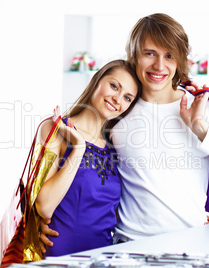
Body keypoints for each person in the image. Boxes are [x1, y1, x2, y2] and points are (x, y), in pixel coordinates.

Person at [39, 13, 209, 249]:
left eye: (169, 56)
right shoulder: (119, 108)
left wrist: (202, 130)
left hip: (186, 250)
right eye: (150, 53)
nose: (159, 65)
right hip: (123, 249)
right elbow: (90, 177)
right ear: (134, 55)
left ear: (181, 61)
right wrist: (40, 220)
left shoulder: (203, 111)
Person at [33, 59, 141, 257]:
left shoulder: (115, 147)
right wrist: (78, 148)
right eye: (114, 86)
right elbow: (44, 206)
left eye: (127, 97)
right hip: (63, 254)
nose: (117, 99)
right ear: (97, 80)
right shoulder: (56, 129)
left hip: (104, 256)